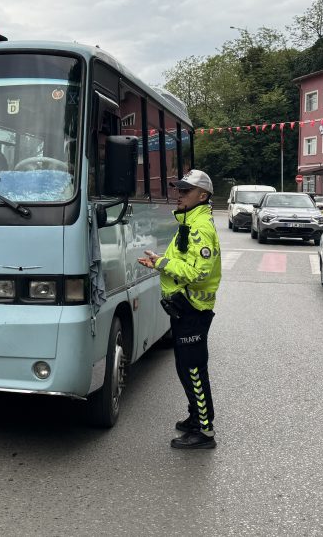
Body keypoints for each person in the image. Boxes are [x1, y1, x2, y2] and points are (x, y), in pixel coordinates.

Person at [137, 169, 222, 449]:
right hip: (183, 307)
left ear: (202, 196)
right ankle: (196, 417)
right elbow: (181, 262)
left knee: (193, 370)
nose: (179, 195)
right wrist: (159, 261)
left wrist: (162, 264)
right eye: (179, 190)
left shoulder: (199, 228)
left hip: (193, 309)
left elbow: (198, 272)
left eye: (185, 191)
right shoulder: (188, 223)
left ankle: (204, 432)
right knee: (186, 368)